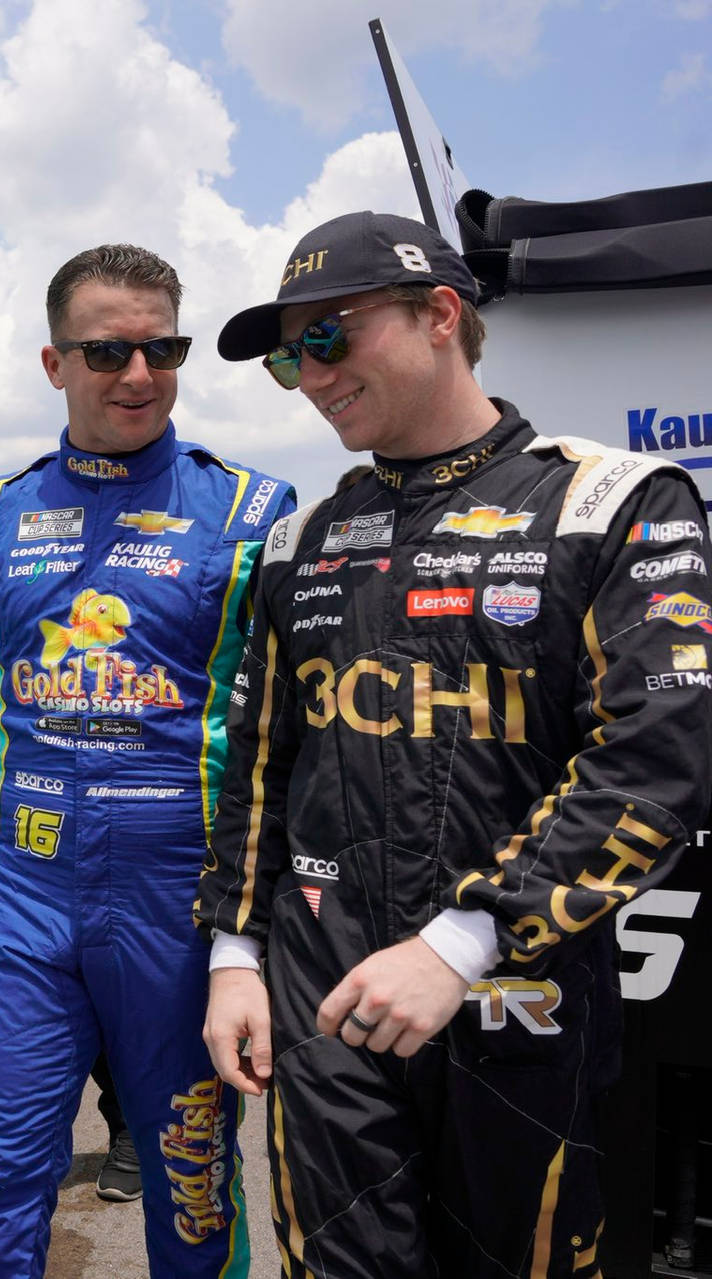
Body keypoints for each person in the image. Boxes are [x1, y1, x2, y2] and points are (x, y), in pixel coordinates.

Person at [198, 210, 712, 1275]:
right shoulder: (303, 538)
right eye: (290, 359)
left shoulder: (611, 501)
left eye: (328, 338)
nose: (309, 375)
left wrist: (460, 943)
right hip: (325, 991)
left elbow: (659, 762)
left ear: (440, 313)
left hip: (516, 996)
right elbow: (259, 763)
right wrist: (235, 952)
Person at [0, 243, 292, 1278]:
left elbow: (280, 732)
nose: (141, 374)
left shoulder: (253, 511)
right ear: (53, 362)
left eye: (165, 348)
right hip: (24, 888)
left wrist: (256, 921)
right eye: (110, 350)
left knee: (191, 1178)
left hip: (180, 896)